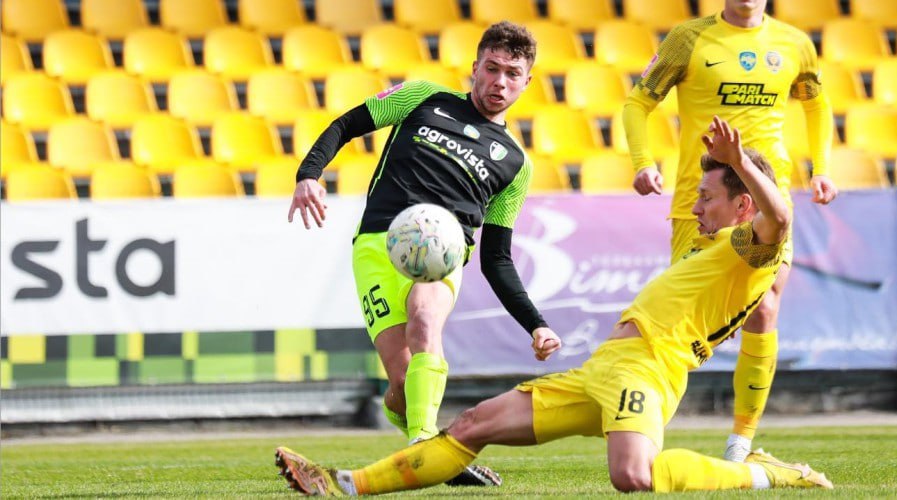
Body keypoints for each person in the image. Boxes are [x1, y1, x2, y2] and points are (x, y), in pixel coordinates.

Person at [274, 117, 834, 496]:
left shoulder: (751, 249)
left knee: (633, 476)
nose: (696, 206)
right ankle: (343, 484)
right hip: (602, 369)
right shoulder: (717, 244)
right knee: (471, 424)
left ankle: (762, 474)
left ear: (743, 205)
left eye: (706, 197)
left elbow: (781, 218)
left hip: (650, 369)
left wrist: (742, 161)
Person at [287, 21, 562, 487]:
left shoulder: (516, 164)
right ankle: (430, 440)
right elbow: (346, 125)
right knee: (400, 389)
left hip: (443, 255)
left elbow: (496, 257)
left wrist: (536, 323)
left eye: (512, 74)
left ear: (527, 82)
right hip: (377, 246)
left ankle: (426, 448)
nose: (499, 82)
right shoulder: (421, 97)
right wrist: (309, 174)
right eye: (492, 68)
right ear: (474, 67)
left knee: (425, 316)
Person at [622, 0, 839, 462]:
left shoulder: (796, 44)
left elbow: (817, 103)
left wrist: (821, 168)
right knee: (678, 322)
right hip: (700, 202)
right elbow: (638, 102)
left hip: (767, 199)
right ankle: (641, 425)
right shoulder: (687, 39)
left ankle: (741, 441)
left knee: (765, 308)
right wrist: (642, 162)